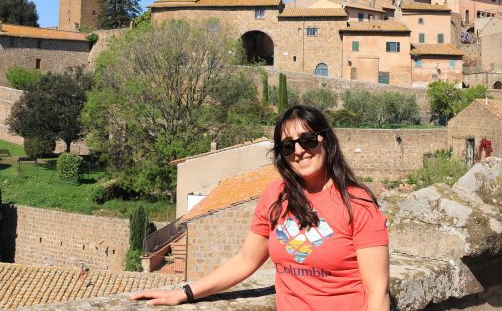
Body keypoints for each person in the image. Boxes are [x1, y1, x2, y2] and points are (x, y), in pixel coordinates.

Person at [131, 105, 390, 310]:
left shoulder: (357, 203)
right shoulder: (275, 197)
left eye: (308, 140)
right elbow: (245, 261)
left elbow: (377, 293)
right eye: (288, 146)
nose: (299, 151)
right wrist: (185, 292)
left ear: (326, 140)